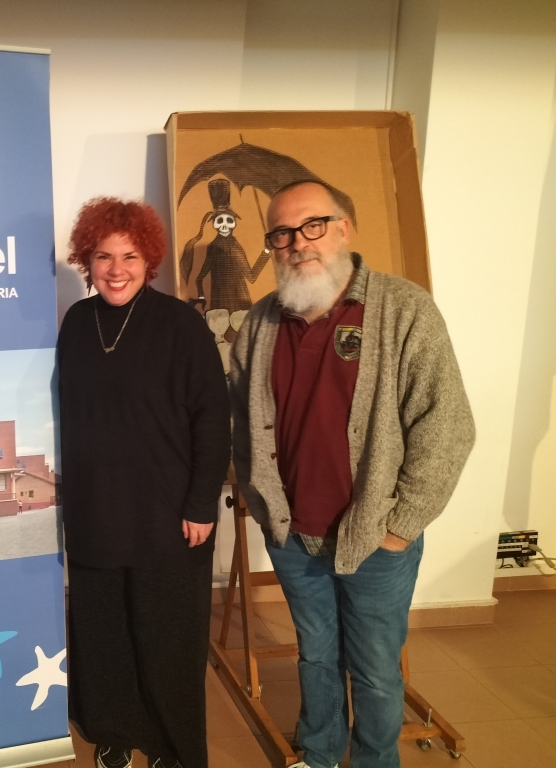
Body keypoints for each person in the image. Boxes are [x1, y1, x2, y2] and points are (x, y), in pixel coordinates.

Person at [229, 180, 475, 768]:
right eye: (281, 234)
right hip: (293, 536)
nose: (298, 243)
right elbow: (240, 420)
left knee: (375, 669)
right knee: (316, 656)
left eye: (312, 225)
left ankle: (373, 761)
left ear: (343, 227)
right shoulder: (260, 323)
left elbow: (447, 426)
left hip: (376, 541)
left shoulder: (404, 310)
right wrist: (262, 505)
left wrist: (400, 527)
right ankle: (319, 754)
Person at [58, 198, 231, 768]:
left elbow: (213, 418)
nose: (116, 270)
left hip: (168, 513)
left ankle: (168, 744)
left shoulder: (181, 324)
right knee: (103, 632)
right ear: (87, 260)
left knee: (167, 638)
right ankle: (114, 730)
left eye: (129, 256)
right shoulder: (77, 323)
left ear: (149, 260)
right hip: (95, 511)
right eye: (103, 256)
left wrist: (201, 502)